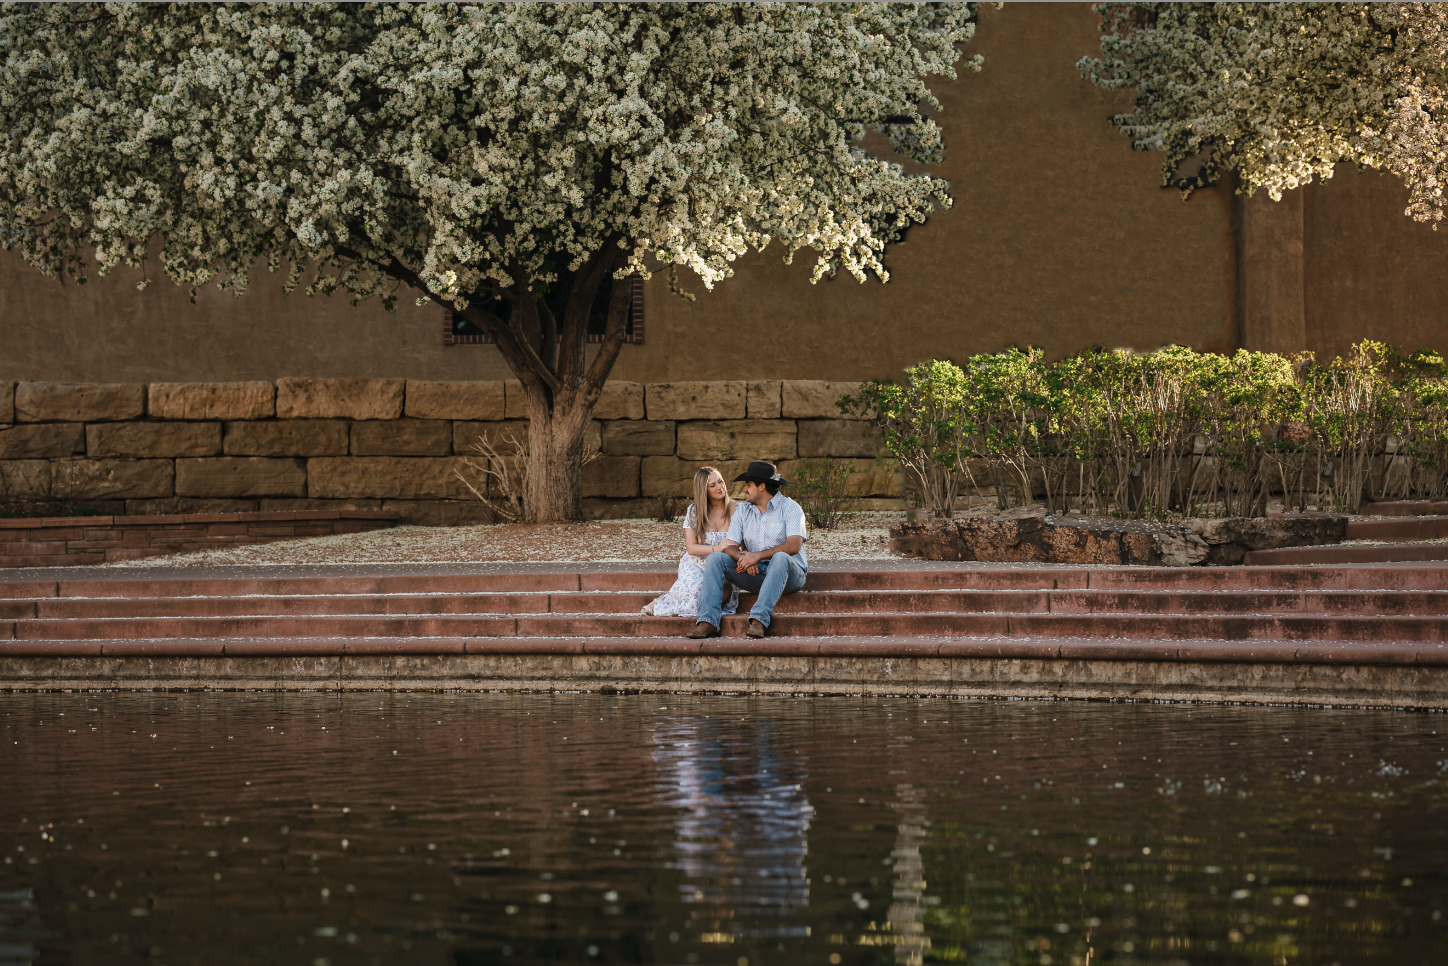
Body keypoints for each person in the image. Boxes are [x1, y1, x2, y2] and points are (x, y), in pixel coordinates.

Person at [688, 460, 808, 640]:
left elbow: (794, 545)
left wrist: (756, 556)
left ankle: (759, 621)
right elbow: (729, 544)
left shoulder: (791, 508)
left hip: (790, 576)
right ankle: (708, 622)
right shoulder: (743, 511)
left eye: (748, 485)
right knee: (715, 559)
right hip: (757, 574)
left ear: (762, 486)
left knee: (781, 557)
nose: (744, 489)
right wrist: (743, 559)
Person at [642, 467, 741, 618]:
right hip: (697, 563)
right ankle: (661, 602)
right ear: (703, 490)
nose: (720, 487)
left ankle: (670, 597)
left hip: (724, 566)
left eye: (720, 482)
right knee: (695, 591)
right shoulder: (694, 511)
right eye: (712, 485)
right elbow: (691, 548)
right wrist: (717, 547)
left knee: (708, 599)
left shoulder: (738, 509)